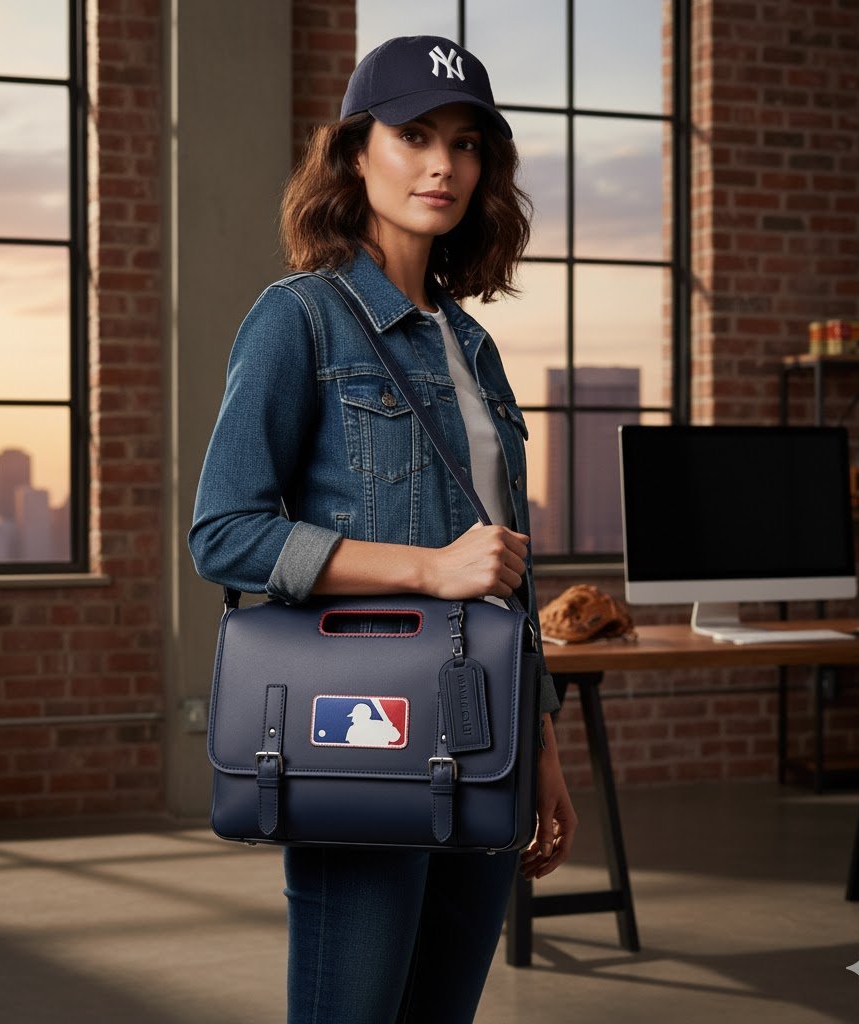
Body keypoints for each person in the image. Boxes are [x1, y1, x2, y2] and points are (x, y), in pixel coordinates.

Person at [189, 34, 578, 1024]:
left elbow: (504, 578)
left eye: (466, 142)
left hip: (481, 738)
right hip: (363, 736)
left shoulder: (472, 345)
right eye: (413, 135)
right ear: (355, 151)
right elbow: (225, 532)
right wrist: (425, 568)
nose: (443, 164)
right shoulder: (299, 319)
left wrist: (537, 741)